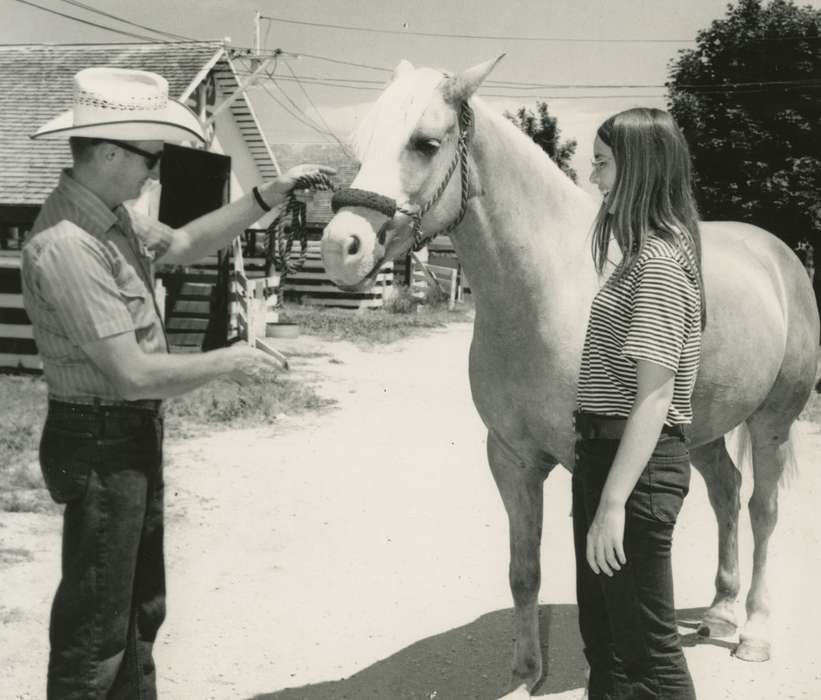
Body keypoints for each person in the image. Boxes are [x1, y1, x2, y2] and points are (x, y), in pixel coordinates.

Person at [22, 66, 334, 699]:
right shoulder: (67, 244)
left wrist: (266, 196)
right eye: (151, 158)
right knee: (94, 638)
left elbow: (187, 242)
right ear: (109, 152)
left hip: (125, 437)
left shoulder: (111, 217)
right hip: (102, 438)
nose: (155, 173)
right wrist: (232, 359)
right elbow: (133, 374)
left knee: (137, 617)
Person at [572, 107, 706, 699]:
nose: (594, 178)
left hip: (636, 470)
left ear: (641, 168)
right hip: (609, 460)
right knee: (608, 649)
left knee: (648, 656)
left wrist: (613, 502)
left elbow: (654, 396)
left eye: (602, 164)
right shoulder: (640, 255)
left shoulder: (656, 264)